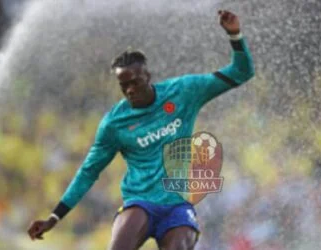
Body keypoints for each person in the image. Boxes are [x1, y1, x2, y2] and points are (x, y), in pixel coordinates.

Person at [27, 10, 255, 250]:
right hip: (140, 203)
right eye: (123, 85)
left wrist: (235, 35)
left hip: (177, 205)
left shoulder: (184, 91)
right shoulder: (114, 124)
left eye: (135, 82)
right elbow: (88, 172)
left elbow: (242, 72)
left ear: (148, 75)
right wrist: (54, 217)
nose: (130, 90)